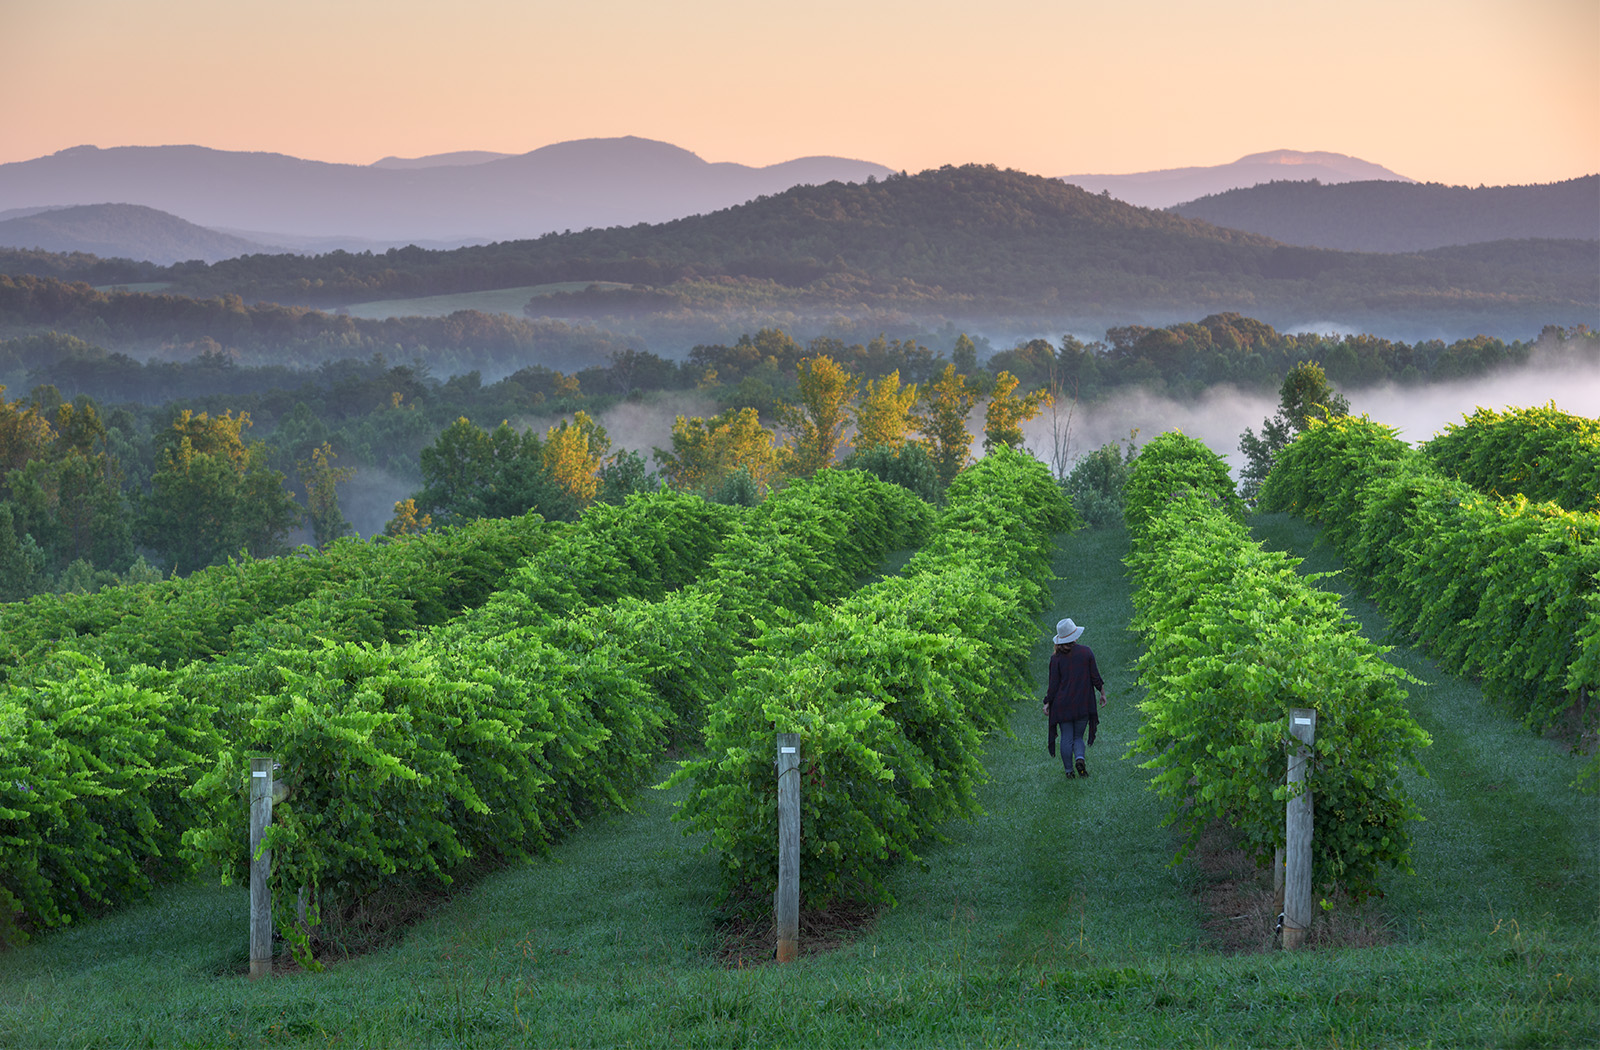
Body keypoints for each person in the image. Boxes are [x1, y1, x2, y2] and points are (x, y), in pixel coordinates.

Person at [1043, 617, 1107, 778]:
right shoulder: (1086, 652)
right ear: (1075, 636)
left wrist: (1047, 702)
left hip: (1062, 705)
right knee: (1078, 736)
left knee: (1066, 737)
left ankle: (1069, 771)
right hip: (1083, 703)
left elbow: (1053, 685)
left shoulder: (1055, 658)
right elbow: (1095, 677)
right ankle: (1080, 759)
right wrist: (1102, 693)